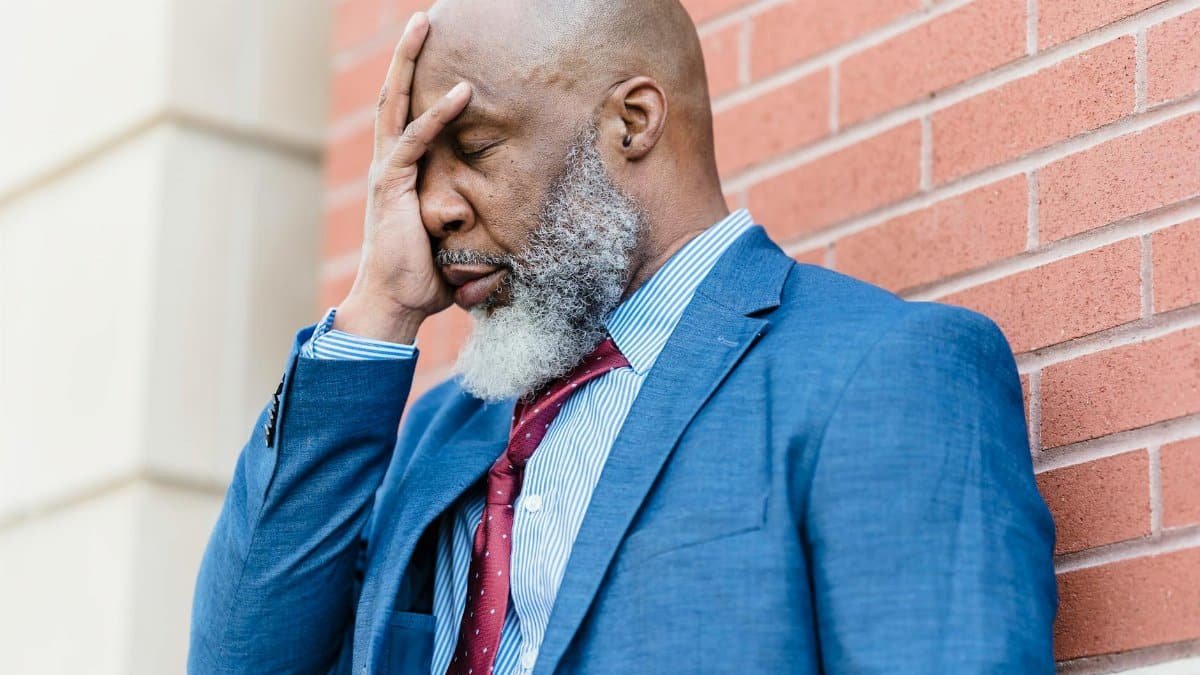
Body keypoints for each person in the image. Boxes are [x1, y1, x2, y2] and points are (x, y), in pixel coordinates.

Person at [188, 0, 1058, 672]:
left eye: (475, 149)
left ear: (632, 122)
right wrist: (378, 310)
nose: (434, 205)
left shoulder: (885, 372)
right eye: (419, 168)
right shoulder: (435, 433)